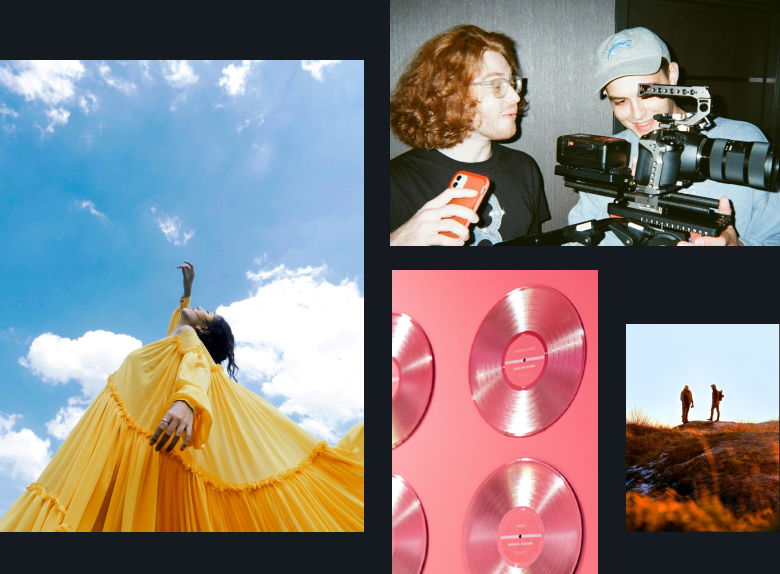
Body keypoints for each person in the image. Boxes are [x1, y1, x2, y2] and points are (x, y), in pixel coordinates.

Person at [0, 261, 364, 532]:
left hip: (136, 434)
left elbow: (198, 365)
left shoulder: (190, 346)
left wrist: (186, 402)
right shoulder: (175, 341)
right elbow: (177, 326)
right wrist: (187, 291)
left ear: (202, 328)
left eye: (205, 312)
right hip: (122, 438)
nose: (199, 308)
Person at [568, 26, 780, 246]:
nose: (637, 114)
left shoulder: (743, 140)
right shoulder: (611, 154)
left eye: (648, 94)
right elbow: (578, 243)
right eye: (620, 101)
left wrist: (738, 248)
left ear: (672, 74)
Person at [390, 24, 550, 246]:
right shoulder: (394, 182)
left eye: (512, 83)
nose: (515, 97)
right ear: (449, 93)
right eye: (496, 85)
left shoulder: (524, 168)